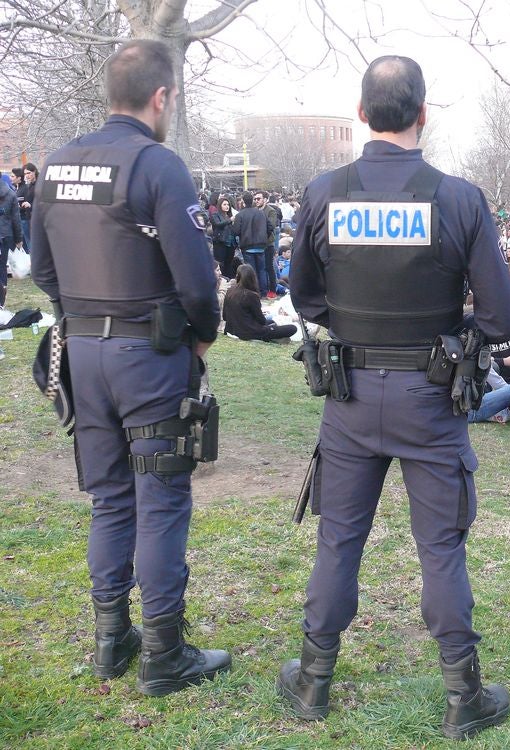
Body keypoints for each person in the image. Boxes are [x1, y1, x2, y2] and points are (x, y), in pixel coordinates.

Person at [283, 55, 510, 740]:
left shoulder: (325, 192)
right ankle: (462, 695)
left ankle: (312, 682)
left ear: (362, 114)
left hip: (350, 397)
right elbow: (502, 320)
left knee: (338, 542)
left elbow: (303, 295)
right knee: (440, 548)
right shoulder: (460, 199)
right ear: (423, 113)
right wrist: (453, 336)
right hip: (430, 397)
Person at [29, 40, 229, 693]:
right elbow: (198, 283)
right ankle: (164, 655)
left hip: (83, 354)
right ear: (161, 96)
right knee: (163, 499)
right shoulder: (157, 166)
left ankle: (112, 639)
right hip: (149, 354)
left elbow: (44, 270)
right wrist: (200, 337)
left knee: (111, 499)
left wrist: (79, 318)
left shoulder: (56, 166)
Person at [222, 264, 296, 342]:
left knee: (272, 321)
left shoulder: (230, 291)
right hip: (248, 332)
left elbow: (225, 316)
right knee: (292, 328)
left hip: (231, 329)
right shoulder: (251, 295)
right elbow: (261, 321)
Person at [231, 190, 271, 296]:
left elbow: (235, 231)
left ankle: (254, 292)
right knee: (262, 270)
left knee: (251, 271)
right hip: (261, 246)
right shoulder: (261, 213)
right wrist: (264, 237)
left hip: (247, 246)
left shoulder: (240, 215)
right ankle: (263, 291)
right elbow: (270, 227)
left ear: (243, 202)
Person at [0, 177, 23, 307]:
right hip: (5, 235)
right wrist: (18, 239)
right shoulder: (10, 194)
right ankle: (1, 301)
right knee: (2, 268)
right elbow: (16, 219)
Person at [209, 195, 237, 279]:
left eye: (228, 204)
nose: (227, 206)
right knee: (221, 263)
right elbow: (218, 224)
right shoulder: (215, 215)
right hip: (220, 242)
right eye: (224, 204)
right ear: (220, 205)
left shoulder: (229, 215)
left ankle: (229, 280)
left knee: (229, 263)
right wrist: (230, 220)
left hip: (231, 243)